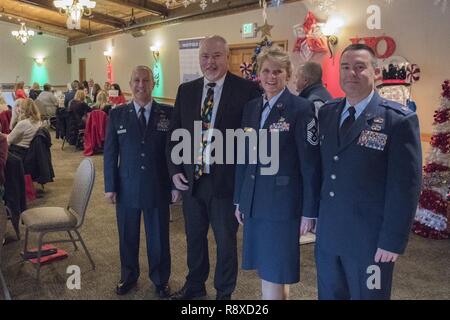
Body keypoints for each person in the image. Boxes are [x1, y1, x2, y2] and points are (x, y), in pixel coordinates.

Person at [315, 43, 422, 300]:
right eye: (345, 67)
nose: (351, 73)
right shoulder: (328, 114)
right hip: (329, 235)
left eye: (360, 67)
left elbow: (405, 187)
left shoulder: (398, 120)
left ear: (375, 73)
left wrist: (392, 239)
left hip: (370, 240)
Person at [167, 35, 261, 300]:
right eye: (205, 56)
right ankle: (195, 286)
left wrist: (246, 188)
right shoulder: (187, 91)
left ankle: (224, 293)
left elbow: (251, 144)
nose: (210, 62)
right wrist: (175, 171)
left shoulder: (246, 91)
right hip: (192, 182)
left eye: (216, 56)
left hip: (226, 186)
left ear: (227, 57)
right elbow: (174, 134)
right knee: (194, 239)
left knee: (225, 244)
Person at [233, 46, 320, 300]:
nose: (271, 77)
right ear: (258, 74)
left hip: (282, 206)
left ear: (288, 74)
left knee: (275, 269)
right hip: (254, 202)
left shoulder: (301, 109)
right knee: (268, 270)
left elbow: (310, 164)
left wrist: (309, 210)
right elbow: (243, 157)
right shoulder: (251, 108)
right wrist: (239, 198)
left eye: (278, 71)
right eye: (266, 71)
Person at [104, 65, 179, 298]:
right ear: (129, 84)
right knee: (127, 235)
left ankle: (160, 279)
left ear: (152, 83)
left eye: (145, 80)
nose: (140, 85)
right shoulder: (117, 114)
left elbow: (174, 151)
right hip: (127, 186)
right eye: (136, 80)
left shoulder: (168, 113)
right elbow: (110, 153)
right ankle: (128, 276)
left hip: (158, 185)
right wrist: (110, 186)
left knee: (159, 237)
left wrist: (176, 184)